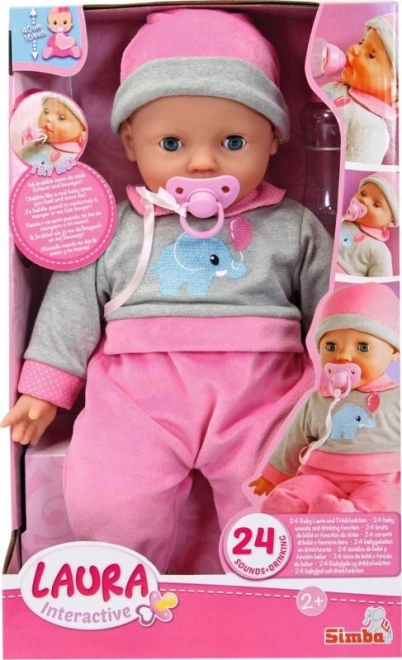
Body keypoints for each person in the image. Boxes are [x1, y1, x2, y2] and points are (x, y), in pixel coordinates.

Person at [2, 9, 333, 573]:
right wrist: (45, 385)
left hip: (263, 394)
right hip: (137, 397)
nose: (202, 162)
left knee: (278, 499)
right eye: (172, 142)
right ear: (131, 142)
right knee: (110, 500)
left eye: (233, 141)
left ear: (274, 139)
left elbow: (331, 306)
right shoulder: (116, 225)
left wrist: (339, 379)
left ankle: (274, 593)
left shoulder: (293, 225)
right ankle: (123, 585)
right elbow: (72, 301)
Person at [250, 282, 400, 513]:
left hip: (381, 481)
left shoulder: (397, 397)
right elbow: (294, 439)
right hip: (322, 477)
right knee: (299, 488)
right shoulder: (320, 400)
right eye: (331, 346)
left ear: (394, 351)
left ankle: (347, 515)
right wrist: (274, 476)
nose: (343, 356)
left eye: (362, 347)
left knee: (383, 499)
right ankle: (291, 508)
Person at [324, 13, 398, 164]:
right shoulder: (339, 87)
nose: (355, 49)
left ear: (396, 89)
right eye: (361, 42)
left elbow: (354, 170)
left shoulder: (372, 129)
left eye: (371, 55)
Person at [337, 172, 398, 277]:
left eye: (376, 205)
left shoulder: (380, 251)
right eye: (363, 193)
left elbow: (378, 285)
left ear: (391, 221)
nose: (364, 200)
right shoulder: (342, 221)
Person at [19, 94, 86, 166]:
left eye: (62, 118)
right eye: (46, 111)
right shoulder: (39, 140)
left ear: (82, 128)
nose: (48, 118)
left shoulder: (75, 156)